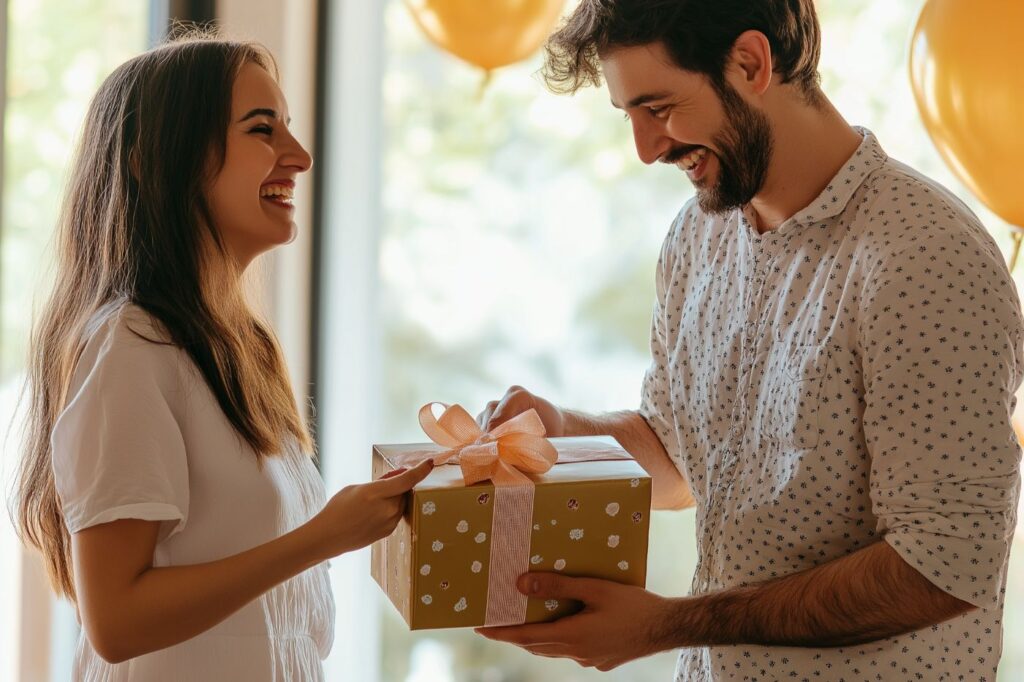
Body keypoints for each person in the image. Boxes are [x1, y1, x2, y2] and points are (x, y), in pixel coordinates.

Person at [474, 1, 1024, 679]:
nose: (646, 150)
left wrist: (666, 624)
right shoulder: (696, 236)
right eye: (630, 117)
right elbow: (679, 461)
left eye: (660, 108)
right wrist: (563, 433)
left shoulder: (924, 256)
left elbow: (944, 563)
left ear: (751, 63)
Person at [11, 35, 432, 681]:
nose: (299, 156)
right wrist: (322, 536)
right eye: (262, 129)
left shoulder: (238, 350)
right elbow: (117, 621)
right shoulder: (129, 347)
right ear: (160, 160)